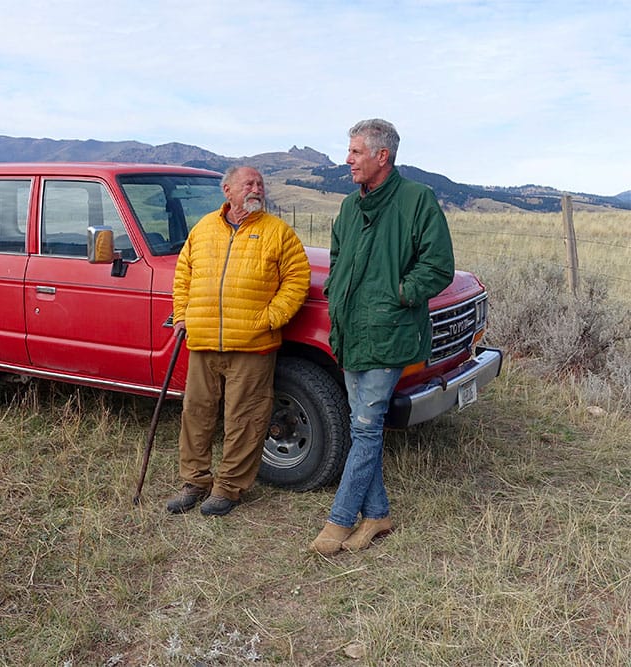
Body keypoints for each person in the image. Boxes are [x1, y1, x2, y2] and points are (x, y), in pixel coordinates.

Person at [310, 119, 455, 554]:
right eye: (349, 151)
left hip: (389, 333)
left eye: (355, 152)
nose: (347, 160)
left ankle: (339, 521)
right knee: (362, 427)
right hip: (352, 332)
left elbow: (438, 266)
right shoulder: (351, 208)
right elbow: (338, 257)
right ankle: (377, 515)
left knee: (368, 429)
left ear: (381, 156)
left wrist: (399, 295)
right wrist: (337, 295)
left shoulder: (417, 201)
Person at [166, 165, 311, 516]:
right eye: (249, 183)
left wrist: (270, 318)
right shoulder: (203, 230)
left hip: (252, 344)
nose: (256, 188)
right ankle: (194, 481)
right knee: (196, 413)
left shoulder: (278, 232)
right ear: (228, 190)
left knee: (244, 418)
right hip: (202, 340)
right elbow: (183, 273)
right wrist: (182, 314)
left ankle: (228, 488)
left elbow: (297, 279)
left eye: (260, 183)